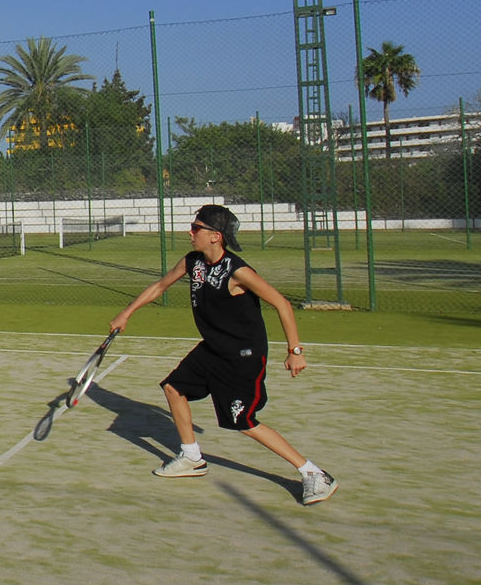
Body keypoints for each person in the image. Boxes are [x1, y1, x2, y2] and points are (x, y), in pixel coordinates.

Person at [109, 204, 336, 505]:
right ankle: (191, 457)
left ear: (215, 236)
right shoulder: (193, 263)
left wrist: (295, 351)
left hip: (243, 356)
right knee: (173, 388)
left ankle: (314, 473)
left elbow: (281, 303)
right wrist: (127, 313)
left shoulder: (238, 271)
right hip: (212, 349)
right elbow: (160, 286)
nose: (190, 233)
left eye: (196, 228)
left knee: (243, 421)